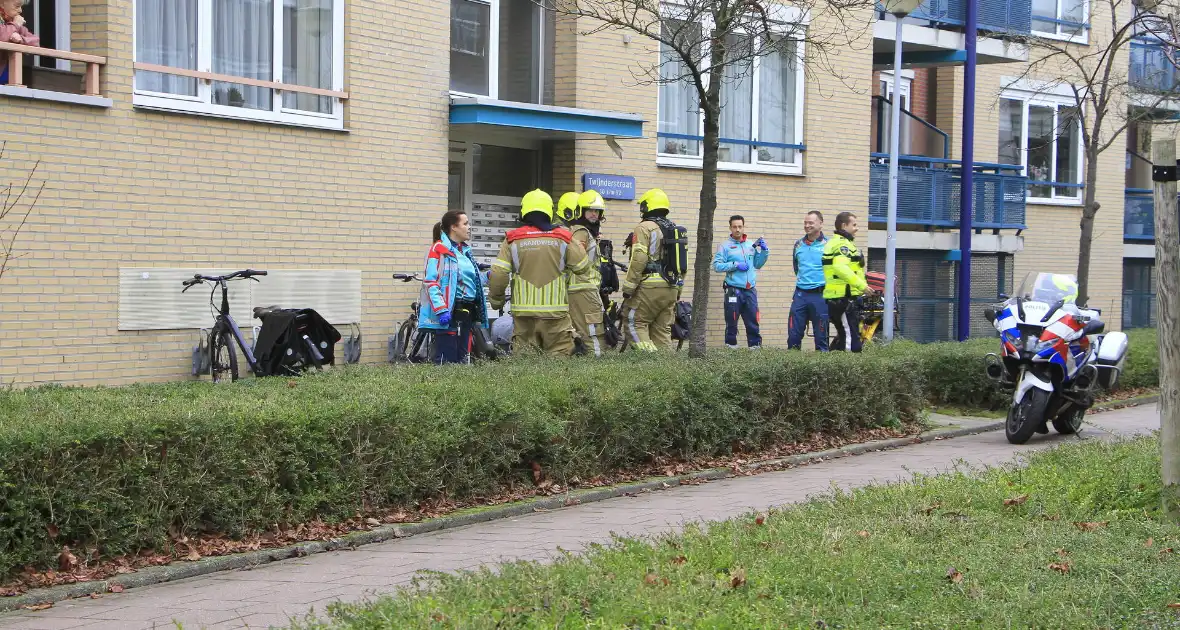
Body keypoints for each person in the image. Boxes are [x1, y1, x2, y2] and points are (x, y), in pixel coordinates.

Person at [488, 189, 590, 356]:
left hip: (523, 317)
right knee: (559, 364)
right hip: (556, 317)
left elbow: (498, 274)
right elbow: (583, 267)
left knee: (526, 365)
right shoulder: (563, 237)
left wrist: (496, 302)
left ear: (524, 211)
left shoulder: (512, 239)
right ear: (549, 210)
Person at [418, 210, 489, 364]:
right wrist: (441, 309)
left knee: (463, 361)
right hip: (450, 313)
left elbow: (470, 281)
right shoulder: (438, 250)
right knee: (446, 361)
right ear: (453, 227)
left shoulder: (465, 251)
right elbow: (431, 282)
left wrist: (488, 277)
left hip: (467, 313)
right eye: (465, 223)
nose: (469, 227)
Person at [621, 188, 680, 351]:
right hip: (672, 287)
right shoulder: (673, 229)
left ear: (646, 207)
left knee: (634, 323)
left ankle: (649, 360)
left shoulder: (644, 227)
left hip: (650, 286)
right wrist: (678, 289)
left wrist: (628, 288)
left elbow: (639, 258)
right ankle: (664, 368)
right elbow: (682, 263)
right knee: (662, 329)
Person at [556, 190, 609, 356]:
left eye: (597, 211)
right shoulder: (580, 231)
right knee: (593, 334)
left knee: (585, 333)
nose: (594, 215)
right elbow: (574, 258)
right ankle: (597, 369)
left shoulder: (586, 231)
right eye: (590, 210)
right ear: (580, 211)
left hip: (584, 290)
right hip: (582, 291)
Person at [712, 215, 769, 348]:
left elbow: (757, 264)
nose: (737, 229)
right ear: (730, 228)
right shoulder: (725, 246)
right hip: (733, 290)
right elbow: (716, 266)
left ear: (743, 227)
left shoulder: (750, 245)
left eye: (740, 226)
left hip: (750, 290)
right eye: (734, 227)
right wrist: (735, 264)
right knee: (731, 323)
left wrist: (765, 252)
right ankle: (731, 350)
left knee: (753, 322)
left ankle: (755, 350)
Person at [823, 211, 875, 353]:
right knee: (850, 341)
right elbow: (840, 267)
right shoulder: (841, 245)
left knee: (848, 335)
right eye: (854, 224)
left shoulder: (843, 243)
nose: (856, 228)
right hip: (843, 298)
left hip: (844, 297)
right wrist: (862, 286)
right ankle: (848, 370)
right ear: (844, 225)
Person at [788, 210, 829, 351]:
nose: (807, 225)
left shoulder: (829, 245)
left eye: (810, 222)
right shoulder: (798, 245)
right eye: (805, 223)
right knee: (793, 335)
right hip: (800, 295)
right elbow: (796, 268)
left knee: (821, 338)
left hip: (820, 296)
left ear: (820, 224)